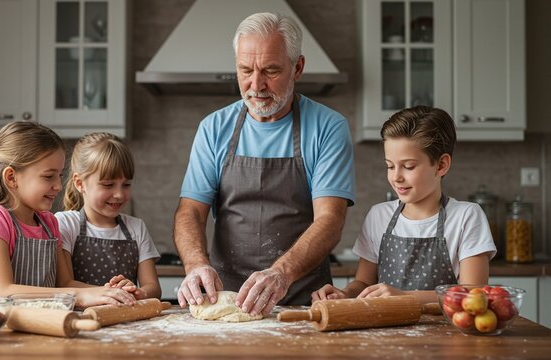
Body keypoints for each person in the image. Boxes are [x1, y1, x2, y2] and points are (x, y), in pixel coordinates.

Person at [174, 12, 355, 316]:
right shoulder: (213, 127)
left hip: (302, 305)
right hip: (226, 301)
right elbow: (190, 211)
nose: (255, 84)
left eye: (270, 70)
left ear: (297, 68)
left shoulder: (328, 127)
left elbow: (330, 221)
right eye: (245, 70)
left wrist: (281, 273)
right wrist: (195, 265)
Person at [312, 106, 496, 304]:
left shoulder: (466, 216)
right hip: (386, 332)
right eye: (390, 166)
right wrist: (345, 294)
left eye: (409, 166)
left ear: (441, 165)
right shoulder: (378, 216)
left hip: (446, 332)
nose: (396, 177)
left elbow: (472, 293)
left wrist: (404, 296)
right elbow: (364, 282)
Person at [0, 121, 136, 308]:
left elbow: (65, 284)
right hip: (0, 328)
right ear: (11, 177)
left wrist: (104, 293)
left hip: (43, 325)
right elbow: (2, 290)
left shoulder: (49, 223)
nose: (58, 185)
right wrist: (79, 296)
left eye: (59, 175)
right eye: (49, 176)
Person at [55, 132, 161, 300]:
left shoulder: (136, 227)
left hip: (127, 320)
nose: (119, 194)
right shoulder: (66, 224)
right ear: (80, 183)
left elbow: (153, 287)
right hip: (82, 319)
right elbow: (65, 284)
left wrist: (138, 292)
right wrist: (112, 292)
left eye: (126, 185)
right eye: (108, 185)